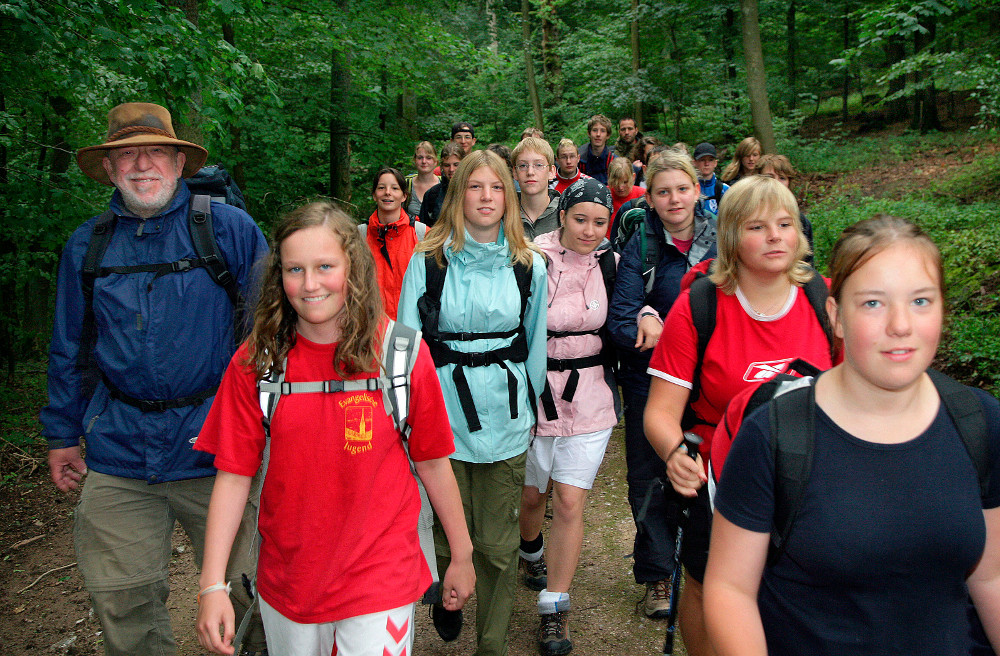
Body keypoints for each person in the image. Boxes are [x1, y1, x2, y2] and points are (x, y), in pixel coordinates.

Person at [704, 215, 1000, 655]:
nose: (901, 325)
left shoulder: (979, 421)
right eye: (873, 304)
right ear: (836, 317)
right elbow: (730, 589)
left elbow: (990, 575)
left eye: (921, 301)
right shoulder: (776, 435)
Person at [194, 201, 475, 656]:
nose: (310, 284)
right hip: (289, 581)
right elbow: (232, 475)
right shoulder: (256, 363)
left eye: (325, 266)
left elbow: (433, 462)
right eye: (294, 269)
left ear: (354, 268)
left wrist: (460, 555)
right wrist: (211, 586)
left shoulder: (401, 354)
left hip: (380, 574)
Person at [40, 102, 269, 655]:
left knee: (254, 593)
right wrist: (63, 434)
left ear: (177, 161)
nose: (143, 164)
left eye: (156, 151)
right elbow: (70, 346)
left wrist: (274, 426)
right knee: (121, 598)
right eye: (127, 154)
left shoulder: (229, 230)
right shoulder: (86, 245)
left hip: (219, 448)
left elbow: (271, 337)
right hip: (119, 450)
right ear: (111, 168)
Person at [643, 175, 836, 656]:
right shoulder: (699, 307)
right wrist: (674, 454)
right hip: (719, 475)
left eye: (786, 224)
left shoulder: (826, 299)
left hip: (813, 477)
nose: (776, 236)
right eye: (758, 226)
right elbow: (660, 413)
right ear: (731, 237)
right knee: (709, 583)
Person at [398, 150, 547, 656]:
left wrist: (530, 412)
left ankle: (494, 643)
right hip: (441, 419)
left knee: (500, 546)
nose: (486, 198)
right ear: (458, 194)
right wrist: (407, 417)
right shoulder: (427, 262)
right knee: (445, 531)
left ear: (509, 196)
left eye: (496, 188)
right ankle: (449, 593)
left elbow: (534, 345)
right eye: (476, 187)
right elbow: (407, 346)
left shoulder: (530, 267)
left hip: (505, 419)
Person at [606, 150, 717, 619]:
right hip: (648, 381)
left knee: (706, 477)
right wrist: (642, 316)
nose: (674, 199)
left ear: (697, 189)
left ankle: (708, 571)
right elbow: (620, 319)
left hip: (710, 381)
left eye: (682, 188)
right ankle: (657, 574)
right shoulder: (642, 244)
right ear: (648, 197)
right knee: (650, 475)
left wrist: (658, 318)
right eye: (663, 191)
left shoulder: (724, 242)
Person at [518, 178, 620, 656]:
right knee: (532, 495)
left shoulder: (613, 265)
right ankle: (530, 549)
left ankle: (554, 606)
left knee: (569, 500)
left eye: (599, 222)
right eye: (581, 219)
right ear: (562, 215)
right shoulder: (530, 259)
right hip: (535, 396)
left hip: (590, 399)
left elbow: (623, 316)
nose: (589, 230)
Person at [363, 166, 427, 319]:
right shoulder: (359, 236)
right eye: (381, 188)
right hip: (371, 325)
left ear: (404, 196)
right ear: (374, 194)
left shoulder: (422, 234)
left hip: (412, 325)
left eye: (394, 188)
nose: (387, 193)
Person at [754, 153, 814, 262]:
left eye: (782, 178)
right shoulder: (747, 214)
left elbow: (807, 263)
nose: (776, 182)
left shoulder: (800, 220)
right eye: (769, 177)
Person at [513, 136, 560, 240]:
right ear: (515, 172)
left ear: (551, 172)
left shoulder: (565, 214)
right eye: (523, 166)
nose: (530, 172)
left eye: (538, 165)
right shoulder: (505, 214)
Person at [420, 142, 464, 227]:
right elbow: (424, 230)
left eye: (456, 165)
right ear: (441, 167)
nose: (451, 169)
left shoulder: (475, 191)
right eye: (447, 165)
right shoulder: (432, 195)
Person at [608, 156, 645, 231]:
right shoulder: (604, 194)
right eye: (616, 183)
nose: (620, 187)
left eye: (625, 182)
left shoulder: (643, 195)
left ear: (633, 177)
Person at [692, 142, 728, 219]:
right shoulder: (689, 189)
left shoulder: (724, 190)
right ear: (694, 163)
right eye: (702, 160)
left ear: (715, 163)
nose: (706, 163)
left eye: (710, 160)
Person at [577, 115, 615, 184]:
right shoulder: (580, 160)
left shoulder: (613, 161)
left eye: (603, 131)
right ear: (589, 133)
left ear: (608, 135)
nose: (598, 134)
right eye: (595, 130)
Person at [406, 141, 440, 218]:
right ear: (415, 161)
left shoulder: (443, 184)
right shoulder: (407, 184)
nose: (424, 161)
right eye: (420, 158)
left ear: (435, 162)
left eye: (428, 158)